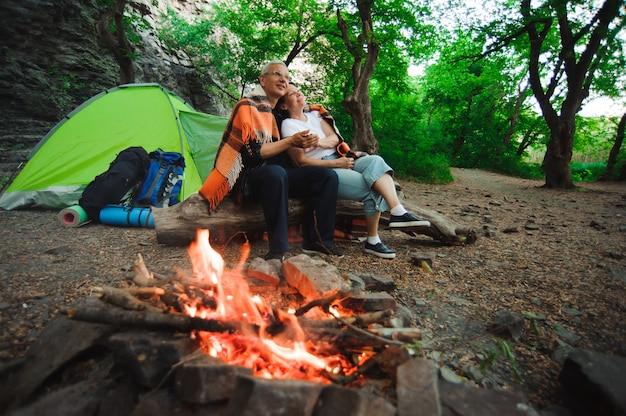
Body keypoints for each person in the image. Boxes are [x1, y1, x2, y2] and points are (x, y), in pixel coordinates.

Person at [197, 61, 343, 261]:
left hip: (281, 176)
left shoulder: (282, 115)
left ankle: (318, 241)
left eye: (287, 77)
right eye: (277, 74)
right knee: (275, 172)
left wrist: (304, 142)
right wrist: (291, 141)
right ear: (262, 80)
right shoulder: (248, 106)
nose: (284, 80)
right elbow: (253, 154)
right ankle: (278, 250)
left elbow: (303, 119)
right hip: (251, 178)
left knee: (327, 176)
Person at [277, 84, 430, 259]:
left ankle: (397, 211)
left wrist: (316, 143)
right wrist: (336, 163)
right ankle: (373, 241)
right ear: (283, 105)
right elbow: (300, 161)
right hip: (321, 168)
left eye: (298, 90)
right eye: (291, 94)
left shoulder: (314, 115)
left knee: (376, 161)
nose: (298, 93)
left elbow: (335, 138)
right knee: (372, 187)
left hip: (341, 157)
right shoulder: (289, 125)